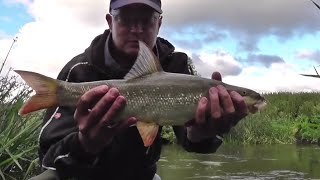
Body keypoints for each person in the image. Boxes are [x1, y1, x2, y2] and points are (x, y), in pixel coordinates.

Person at [30, 0, 248, 179]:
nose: (137, 29)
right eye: (125, 19)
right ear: (110, 21)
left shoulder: (176, 65)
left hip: (142, 174)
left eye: (146, 20)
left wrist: (202, 133)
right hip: (82, 173)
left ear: (159, 23)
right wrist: (85, 144)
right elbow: (48, 158)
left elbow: (191, 140)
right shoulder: (78, 71)